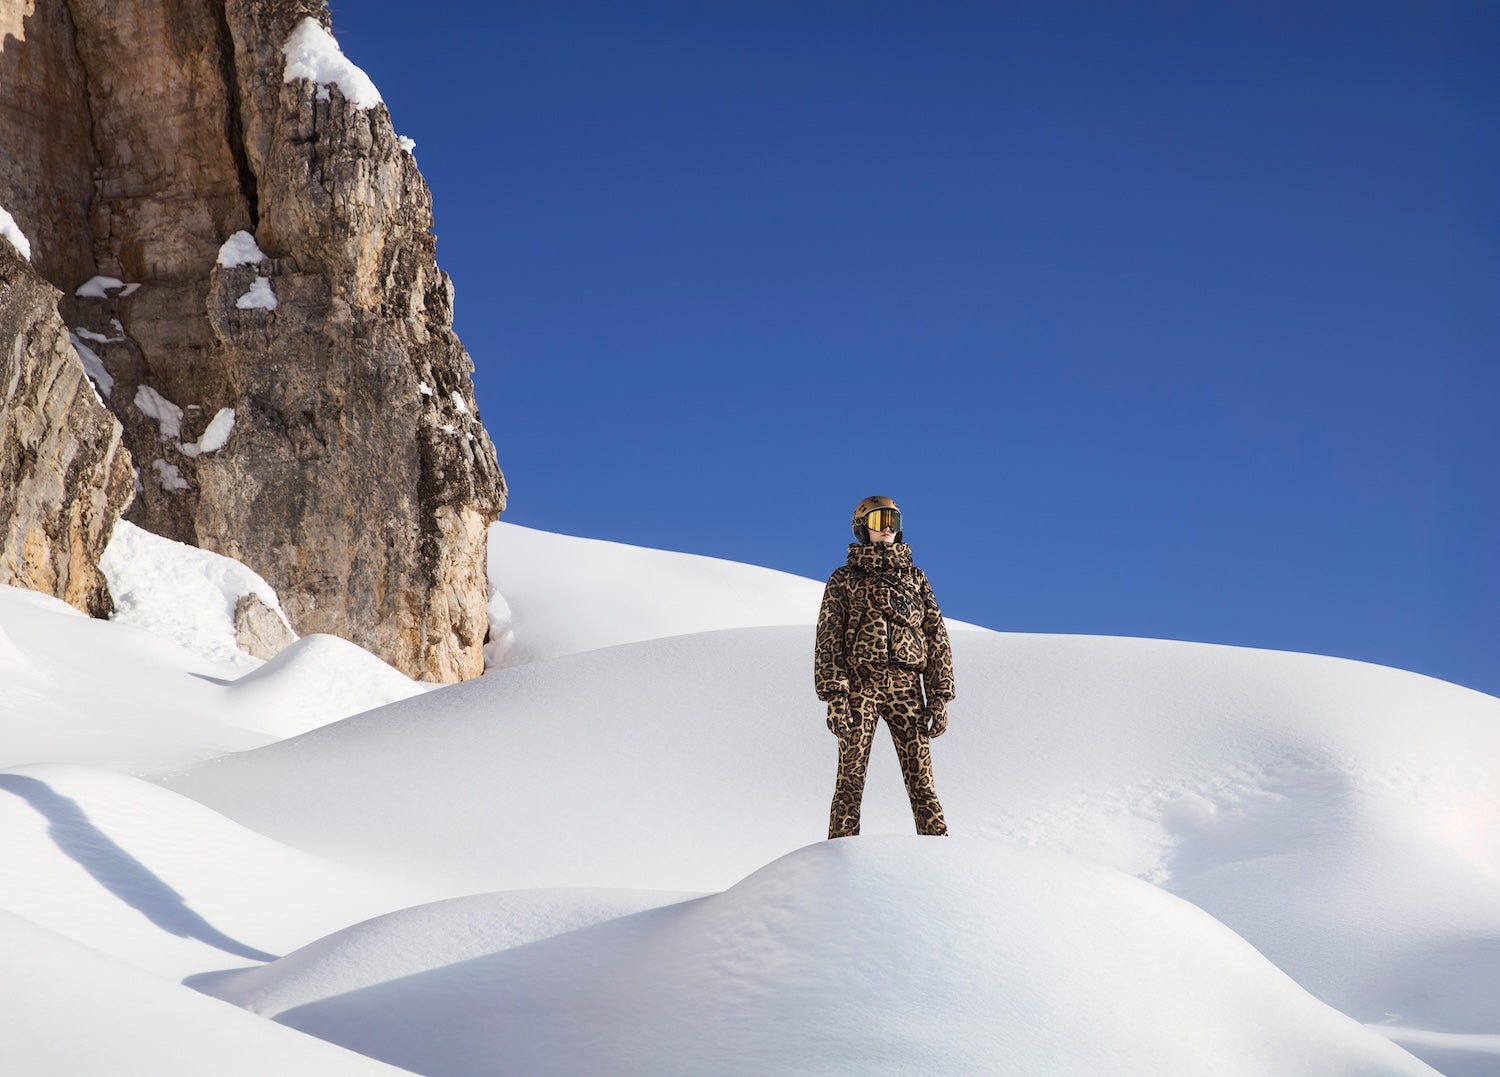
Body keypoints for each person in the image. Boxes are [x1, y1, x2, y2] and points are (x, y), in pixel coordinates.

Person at [814, 495, 954, 838]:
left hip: (907, 687)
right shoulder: (844, 579)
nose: (888, 528)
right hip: (860, 685)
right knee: (850, 778)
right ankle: (840, 853)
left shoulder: (915, 578)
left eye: (894, 520)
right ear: (863, 528)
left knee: (922, 781)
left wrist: (939, 696)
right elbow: (828, 637)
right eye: (879, 520)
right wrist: (835, 695)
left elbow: (936, 636)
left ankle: (940, 854)